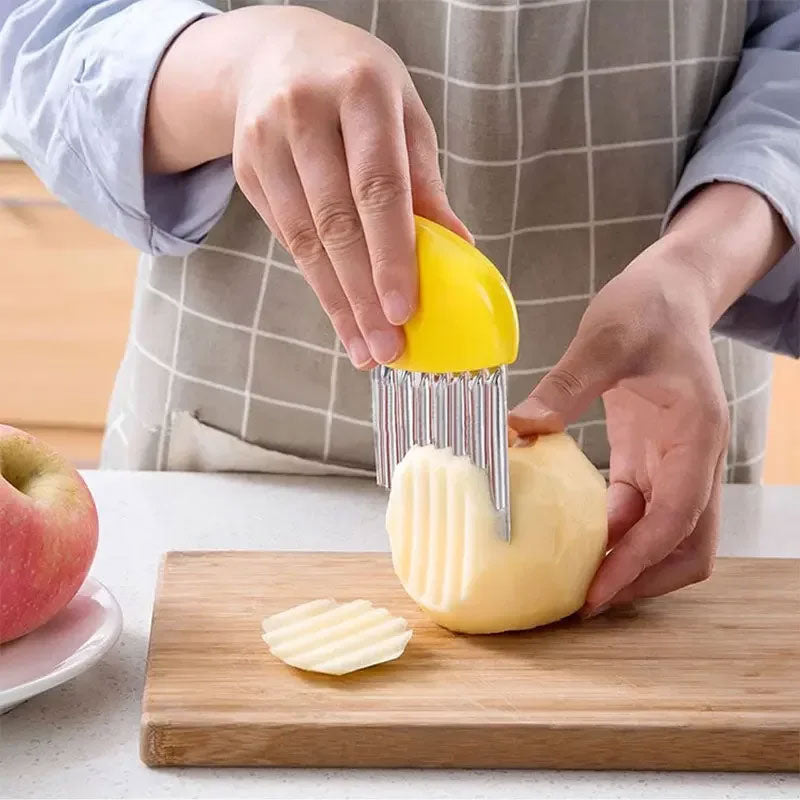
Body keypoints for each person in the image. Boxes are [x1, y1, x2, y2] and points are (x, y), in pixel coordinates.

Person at [1, 0, 798, 617]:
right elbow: (36, 25)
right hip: (227, 461)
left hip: (667, 435)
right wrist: (231, 65)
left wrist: (698, 267)